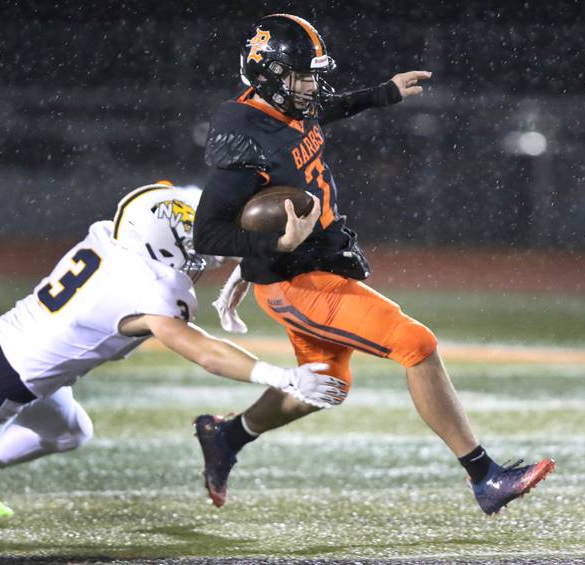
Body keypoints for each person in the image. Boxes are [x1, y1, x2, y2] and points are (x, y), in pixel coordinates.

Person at [191, 14, 554, 515]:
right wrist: (270, 247)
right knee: (417, 344)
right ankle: (485, 476)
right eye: (301, 75)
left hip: (319, 263)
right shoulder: (244, 133)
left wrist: (383, 93)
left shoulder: (290, 106)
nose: (312, 86)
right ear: (270, 76)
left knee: (326, 384)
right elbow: (206, 233)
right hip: (295, 282)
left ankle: (226, 435)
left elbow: (322, 111)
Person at [0, 182, 347, 518]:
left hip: (24, 363)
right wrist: (279, 377)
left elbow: (191, 208)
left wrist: (245, 259)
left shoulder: (119, 233)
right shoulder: (152, 290)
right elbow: (204, 351)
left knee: (72, 432)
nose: (205, 255)